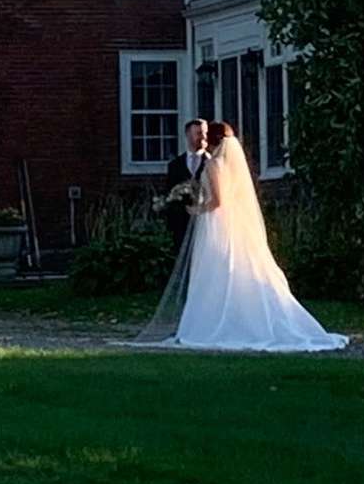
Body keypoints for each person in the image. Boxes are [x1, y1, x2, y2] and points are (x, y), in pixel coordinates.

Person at [130, 121, 348, 353]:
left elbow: (218, 201)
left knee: (214, 270)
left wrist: (197, 210)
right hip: (229, 223)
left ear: (212, 142)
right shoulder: (230, 166)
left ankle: (214, 322)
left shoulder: (214, 165)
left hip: (215, 223)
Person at [164, 120, 208, 244]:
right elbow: (170, 195)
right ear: (188, 135)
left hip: (205, 222)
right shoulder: (175, 165)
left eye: (205, 133)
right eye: (199, 133)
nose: (203, 137)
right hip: (182, 224)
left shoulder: (212, 163)